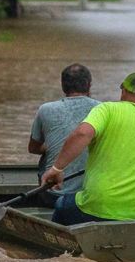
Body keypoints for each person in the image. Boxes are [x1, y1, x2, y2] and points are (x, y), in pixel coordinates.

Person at [40, 70, 135, 225]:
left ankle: (58, 245)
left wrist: (56, 169)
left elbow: (83, 133)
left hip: (100, 207)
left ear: (123, 91)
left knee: (61, 204)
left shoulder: (107, 110)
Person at [29, 63, 100, 205]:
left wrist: (58, 147)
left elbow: (33, 148)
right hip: (91, 196)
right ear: (89, 85)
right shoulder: (103, 109)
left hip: (53, 195)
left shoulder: (45, 110)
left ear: (63, 86)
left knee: (45, 159)